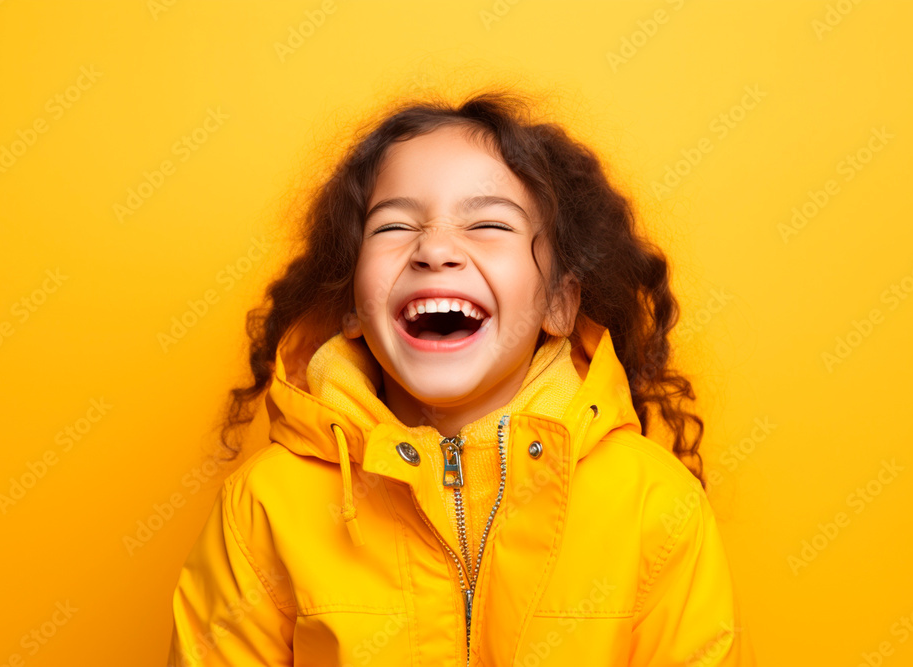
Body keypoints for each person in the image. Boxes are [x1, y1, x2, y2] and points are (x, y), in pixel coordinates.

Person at [166, 90, 756, 666]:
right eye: (393, 227)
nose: (436, 250)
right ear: (349, 304)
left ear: (560, 303)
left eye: (490, 226)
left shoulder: (654, 503)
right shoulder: (266, 505)